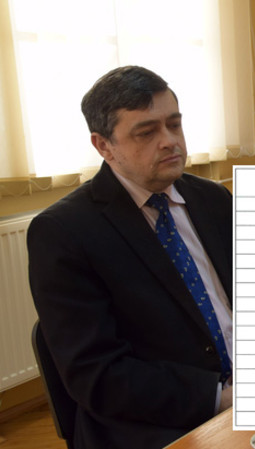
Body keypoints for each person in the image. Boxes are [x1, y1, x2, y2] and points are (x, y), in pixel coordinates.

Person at [27, 66, 233, 448]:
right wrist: (220, 397)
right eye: (146, 132)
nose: (170, 141)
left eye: (174, 124)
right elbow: (97, 376)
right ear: (104, 146)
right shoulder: (63, 232)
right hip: (152, 424)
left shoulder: (213, 199)